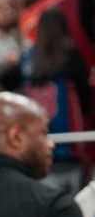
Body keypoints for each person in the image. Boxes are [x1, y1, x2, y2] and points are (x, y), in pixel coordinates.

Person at [22, 8, 91, 162]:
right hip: (66, 125)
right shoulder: (69, 53)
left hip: (39, 124)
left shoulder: (28, 56)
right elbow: (83, 88)